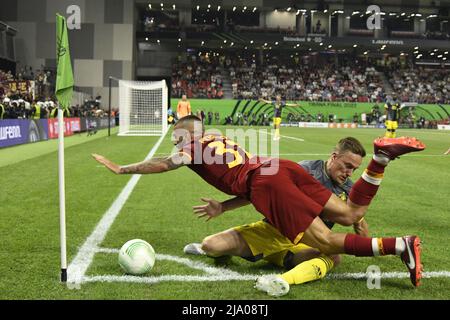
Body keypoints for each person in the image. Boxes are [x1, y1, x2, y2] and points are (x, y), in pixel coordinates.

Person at [92, 115, 425, 297]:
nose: (175, 142)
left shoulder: (191, 146)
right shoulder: (215, 139)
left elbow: (164, 163)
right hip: (277, 167)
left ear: (187, 135)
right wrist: (223, 207)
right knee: (351, 212)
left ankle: (401, 245)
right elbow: (248, 182)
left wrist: (124, 168)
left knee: (326, 242)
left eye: (177, 137)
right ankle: (380, 158)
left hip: (266, 184)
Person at [183, 137, 369, 289]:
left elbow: (359, 221)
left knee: (332, 257)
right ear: (334, 157)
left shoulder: (349, 191)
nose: (350, 173)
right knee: (210, 245)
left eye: (354, 169)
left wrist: (368, 250)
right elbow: (257, 190)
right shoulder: (304, 170)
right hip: (271, 231)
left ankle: (283, 279)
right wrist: (224, 207)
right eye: (347, 165)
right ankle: (233, 251)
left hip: (303, 243)